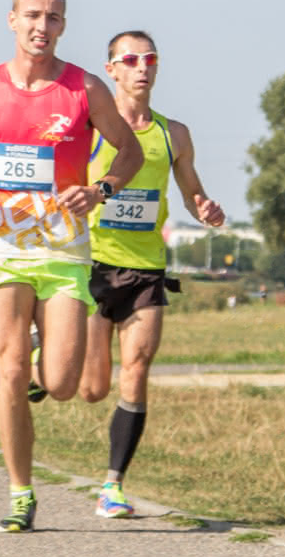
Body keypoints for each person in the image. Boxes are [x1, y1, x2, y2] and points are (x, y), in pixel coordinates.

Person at [0, 0, 142, 533]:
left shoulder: (84, 89)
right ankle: (21, 493)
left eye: (55, 18)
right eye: (34, 15)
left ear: (64, 26)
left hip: (64, 247)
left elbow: (130, 150)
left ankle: (46, 354)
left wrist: (102, 189)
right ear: (13, 20)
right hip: (4, 245)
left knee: (63, 383)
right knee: (11, 369)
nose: (43, 26)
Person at [75, 31, 225, 518]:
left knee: (136, 372)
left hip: (145, 269)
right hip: (94, 262)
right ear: (112, 68)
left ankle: (113, 485)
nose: (142, 67)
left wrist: (203, 206)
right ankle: (47, 351)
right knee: (92, 388)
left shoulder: (173, 134)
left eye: (150, 59)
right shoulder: (93, 129)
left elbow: (190, 191)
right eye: (131, 59)